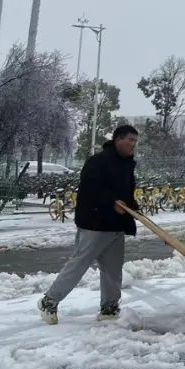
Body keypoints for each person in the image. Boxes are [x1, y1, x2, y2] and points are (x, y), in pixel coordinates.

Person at [38, 125, 140, 324]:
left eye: (135, 141)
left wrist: (133, 207)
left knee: (112, 270)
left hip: (115, 225)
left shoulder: (126, 165)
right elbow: (91, 189)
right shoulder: (98, 162)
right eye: (130, 140)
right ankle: (49, 301)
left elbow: (125, 193)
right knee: (78, 265)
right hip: (94, 224)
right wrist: (112, 203)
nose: (133, 145)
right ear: (118, 140)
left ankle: (109, 308)